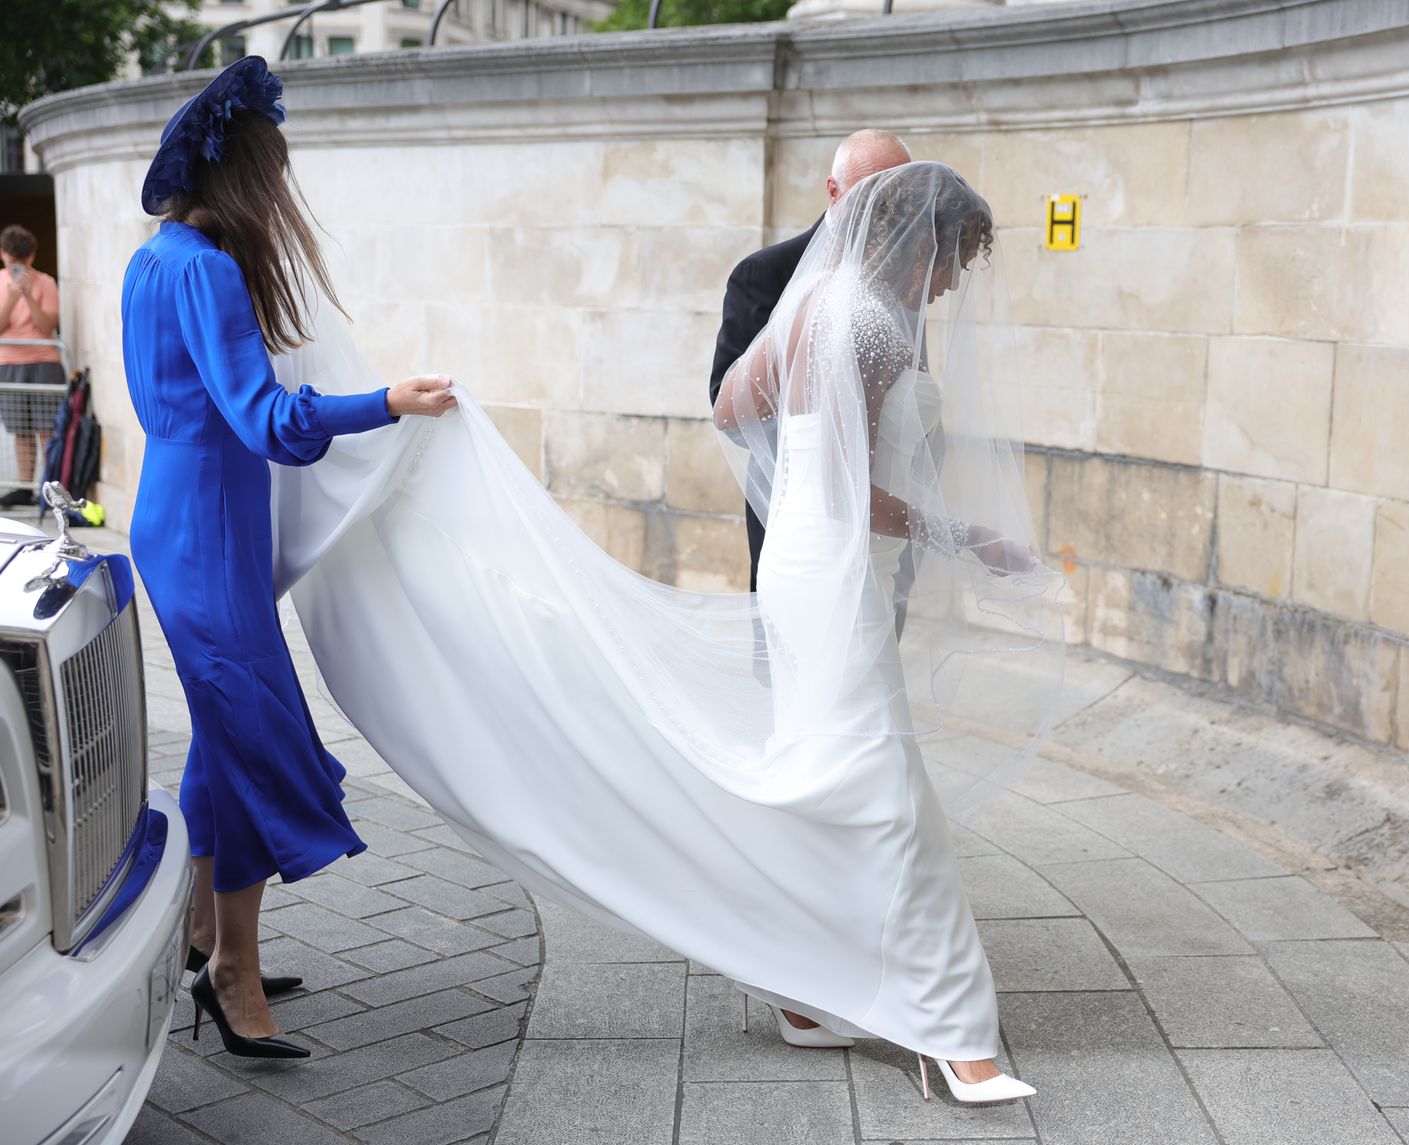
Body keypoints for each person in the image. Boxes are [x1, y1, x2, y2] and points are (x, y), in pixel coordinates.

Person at [271, 161, 1063, 1105]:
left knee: (819, 769)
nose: (952, 285)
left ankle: (807, 993)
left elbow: (735, 406)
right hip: (841, 569)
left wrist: (800, 472)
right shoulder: (871, 322)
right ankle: (953, 1035)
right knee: (883, 792)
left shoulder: (822, 303)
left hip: (806, 565)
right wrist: (966, 534)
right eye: (955, 264)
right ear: (921, 242)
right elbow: (847, 484)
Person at [121, 57, 455, 1059]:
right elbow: (264, 418)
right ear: (242, 175)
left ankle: (198, 931)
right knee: (252, 745)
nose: (281, 192)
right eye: (273, 172)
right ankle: (232, 969)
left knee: (227, 736)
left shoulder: (155, 256)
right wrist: (385, 402)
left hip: (176, 522)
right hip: (210, 539)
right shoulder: (211, 267)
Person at [710, 129, 910, 590]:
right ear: (833, 191)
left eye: (898, 193)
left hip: (887, 531)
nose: (891, 211)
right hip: (798, 519)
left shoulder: (912, 271)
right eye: (872, 194)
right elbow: (727, 403)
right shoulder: (766, 273)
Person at [0, 225, 64, 506]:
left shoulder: (46, 283)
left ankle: (48, 486)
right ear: (3, 255)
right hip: (10, 363)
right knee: (21, 429)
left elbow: (47, 326)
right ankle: (24, 487)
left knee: (47, 428)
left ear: (32, 257)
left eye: (22, 261)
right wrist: (12, 297)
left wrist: (27, 295)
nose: (17, 267)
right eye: (13, 261)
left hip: (44, 363)